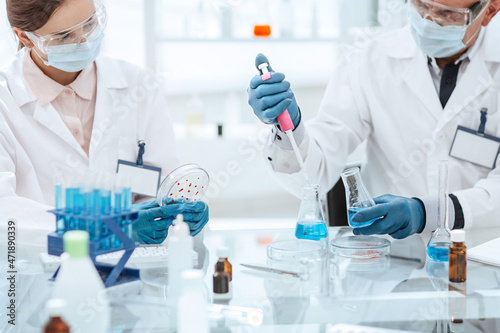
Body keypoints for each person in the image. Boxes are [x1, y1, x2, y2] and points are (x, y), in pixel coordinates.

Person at [248, 0, 500, 239]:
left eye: (448, 14)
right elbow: (317, 172)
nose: (428, 21)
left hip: (480, 257)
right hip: (390, 260)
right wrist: (290, 130)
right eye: (421, 4)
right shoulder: (368, 61)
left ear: (489, 10)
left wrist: (426, 212)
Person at [0, 0, 209, 245]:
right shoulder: (6, 102)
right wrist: (107, 228)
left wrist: (178, 215)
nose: (84, 41)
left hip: (131, 271)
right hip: (36, 272)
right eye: (64, 36)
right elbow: (6, 212)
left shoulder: (137, 86)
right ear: (24, 37)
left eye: (89, 23)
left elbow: (162, 189)